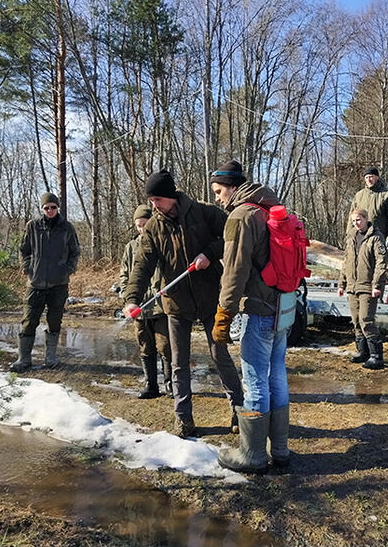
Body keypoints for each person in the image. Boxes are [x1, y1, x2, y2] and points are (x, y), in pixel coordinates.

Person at [123, 170, 244, 438]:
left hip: (211, 297)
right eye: (151, 200)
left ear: (170, 195)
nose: (154, 205)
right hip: (176, 303)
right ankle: (183, 418)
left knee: (220, 355)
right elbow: (142, 266)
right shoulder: (154, 227)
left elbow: (231, 237)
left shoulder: (204, 212)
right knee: (178, 362)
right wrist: (132, 299)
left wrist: (209, 254)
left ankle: (238, 409)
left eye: (157, 199)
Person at [209, 160, 290, 474]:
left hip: (258, 309)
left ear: (231, 186)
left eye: (218, 191)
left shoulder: (241, 216)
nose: (217, 198)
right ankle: (279, 450)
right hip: (284, 305)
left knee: (255, 380)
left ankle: (253, 456)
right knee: (277, 375)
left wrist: (224, 313)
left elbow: (234, 273)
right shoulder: (272, 208)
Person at [11, 192, 81, 373]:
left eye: (53, 207)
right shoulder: (32, 226)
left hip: (59, 284)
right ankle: (23, 359)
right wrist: (27, 267)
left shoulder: (67, 228)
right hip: (35, 283)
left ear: (58, 208)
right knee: (28, 321)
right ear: (42, 209)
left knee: (54, 321)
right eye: (46, 207)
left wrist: (67, 269)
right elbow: (24, 250)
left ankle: (51, 357)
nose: (50, 210)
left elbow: (75, 252)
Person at [120, 204, 173, 399]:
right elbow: (124, 276)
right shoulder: (130, 248)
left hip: (161, 306)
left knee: (165, 346)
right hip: (139, 309)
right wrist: (127, 298)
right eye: (138, 225)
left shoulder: (161, 242)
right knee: (145, 345)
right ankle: (151, 385)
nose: (142, 228)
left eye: (145, 224)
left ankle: (170, 384)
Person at [338, 209, 388, 370]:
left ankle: (376, 356)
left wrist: (377, 285)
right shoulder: (351, 237)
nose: (356, 223)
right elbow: (346, 262)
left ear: (366, 219)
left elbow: (381, 263)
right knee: (356, 321)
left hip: (368, 286)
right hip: (353, 286)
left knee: (366, 320)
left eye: (358, 220)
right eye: (353, 221)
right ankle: (363, 352)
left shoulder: (375, 237)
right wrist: (342, 284)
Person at [348, 166, 388, 252]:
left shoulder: (386, 195)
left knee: (379, 263)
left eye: (371, 176)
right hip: (361, 237)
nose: (369, 179)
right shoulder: (359, 195)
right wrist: (349, 235)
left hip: (379, 237)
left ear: (377, 177)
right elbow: (351, 217)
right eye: (367, 177)